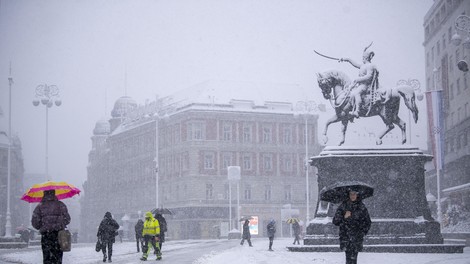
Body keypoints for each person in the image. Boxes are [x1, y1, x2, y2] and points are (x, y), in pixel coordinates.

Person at [339, 43, 379, 118]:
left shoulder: (370, 66)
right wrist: (345, 59)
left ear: (366, 58)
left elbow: (369, 77)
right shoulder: (362, 66)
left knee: (356, 93)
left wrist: (358, 79)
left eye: (363, 57)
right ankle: (350, 110)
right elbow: (354, 63)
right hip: (360, 85)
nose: (362, 58)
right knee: (350, 92)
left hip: (365, 86)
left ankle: (357, 111)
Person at [31, 189, 71, 264]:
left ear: (44, 193)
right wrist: (60, 224)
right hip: (59, 235)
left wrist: (42, 226)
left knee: (47, 257)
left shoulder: (40, 206)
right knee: (58, 257)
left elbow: (35, 222)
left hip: (46, 236)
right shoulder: (61, 204)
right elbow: (68, 219)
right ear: (54, 193)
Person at [333, 189, 371, 264]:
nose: (353, 196)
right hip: (346, 236)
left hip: (357, 237)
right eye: (351, 194)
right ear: (348, 195)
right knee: (348, 258)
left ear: (357, 195)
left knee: (354, 258)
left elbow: (367, 222)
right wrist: (344, 217)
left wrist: (362, 232)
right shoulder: (343, 206)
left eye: (354, 194)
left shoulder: (361, 207)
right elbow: (335, 221)